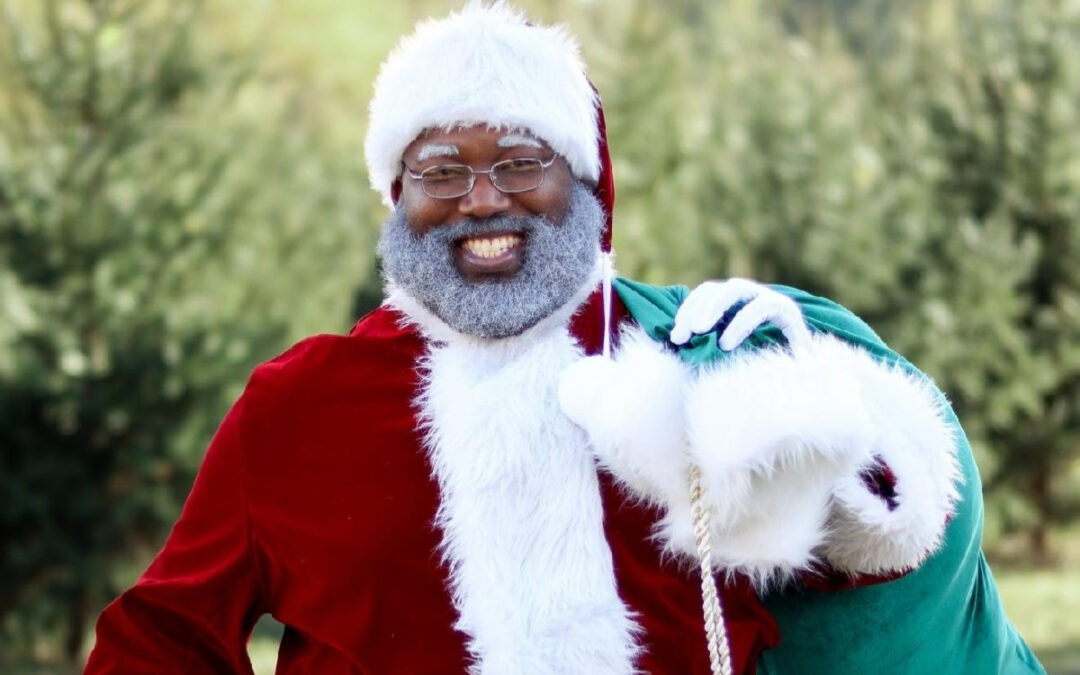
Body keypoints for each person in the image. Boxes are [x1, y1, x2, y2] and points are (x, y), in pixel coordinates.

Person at [85, 3, 1044, 674]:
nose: (482, 198)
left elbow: (867, 567)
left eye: (519, 160)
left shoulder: (689, 359)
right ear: (396, 198)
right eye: (439, 170)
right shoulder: (298, 408)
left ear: (587, 183)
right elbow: (163, 635)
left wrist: (826, 427)